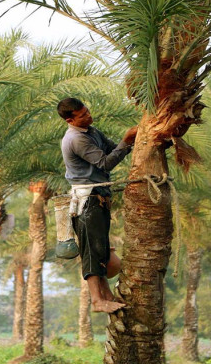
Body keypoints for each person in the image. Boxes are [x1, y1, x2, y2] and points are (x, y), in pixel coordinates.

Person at [57, 97, 137, 313]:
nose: (89, 116)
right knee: (92, 252)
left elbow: (114, 149)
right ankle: (96, 301)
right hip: (87, 201)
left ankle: (108, 296)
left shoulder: (91, 131)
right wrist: (127, 140)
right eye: (83, 115)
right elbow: (106, 162)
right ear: (69, 119)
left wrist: (135, 142)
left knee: (100, 251)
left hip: (99, 196)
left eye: (87, 111)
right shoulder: (76, 139)